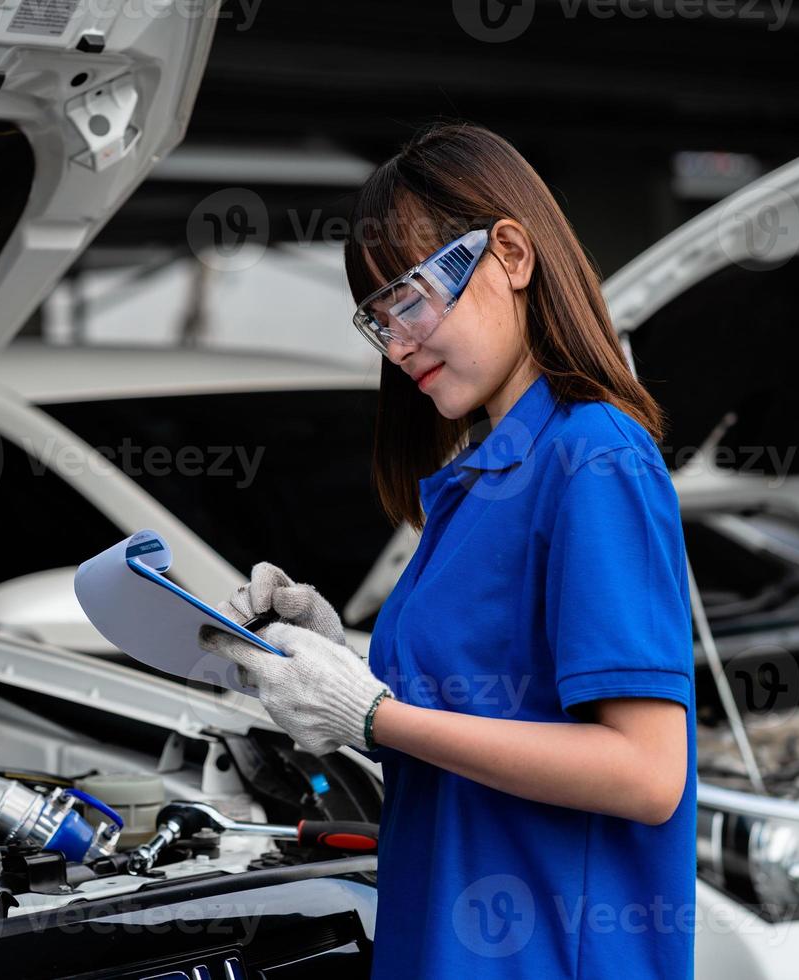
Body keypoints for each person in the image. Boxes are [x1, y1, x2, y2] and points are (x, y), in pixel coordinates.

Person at [197, 121, 697, 979]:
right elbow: (490, 707)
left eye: (413, 299)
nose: (398, 343)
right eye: (378, 317)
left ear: (510, 252)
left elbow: (647, 772)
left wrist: (371, 715)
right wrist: (336, 656)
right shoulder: (485, 477)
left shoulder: (594, 457)